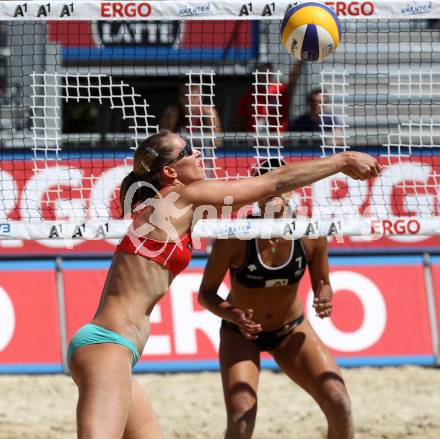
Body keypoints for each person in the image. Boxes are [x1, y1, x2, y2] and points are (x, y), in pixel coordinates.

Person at [67, 130, 379, 438]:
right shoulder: (181, 197)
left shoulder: (165, 205)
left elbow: (271, 190)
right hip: (107, 348)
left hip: (113, 349)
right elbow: (273, 183)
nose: (198, 152)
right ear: (170, 171)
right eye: (188, 149)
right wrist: (342, 160)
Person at [198, 158, 352, 439]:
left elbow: (323, 282)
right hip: (240, 334)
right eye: (267, 187)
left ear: (292, 190)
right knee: (241, 417)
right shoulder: (235, 238)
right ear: (256, 194)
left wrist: (324, 296)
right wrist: (233, 314)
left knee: (338, 399)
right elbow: (205, 294)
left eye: (281, 186)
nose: (275, 193)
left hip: (290, 330)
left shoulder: (310, 234)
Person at [235, 62, 302, 133]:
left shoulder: (280, 90)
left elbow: (293, 81)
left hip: (277, 139)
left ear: (272, 74)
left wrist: (298, 62)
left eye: (268, 73)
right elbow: (240, 120)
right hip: (255, 139)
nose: (265, 76)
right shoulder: (249, 94)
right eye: (262, 73)